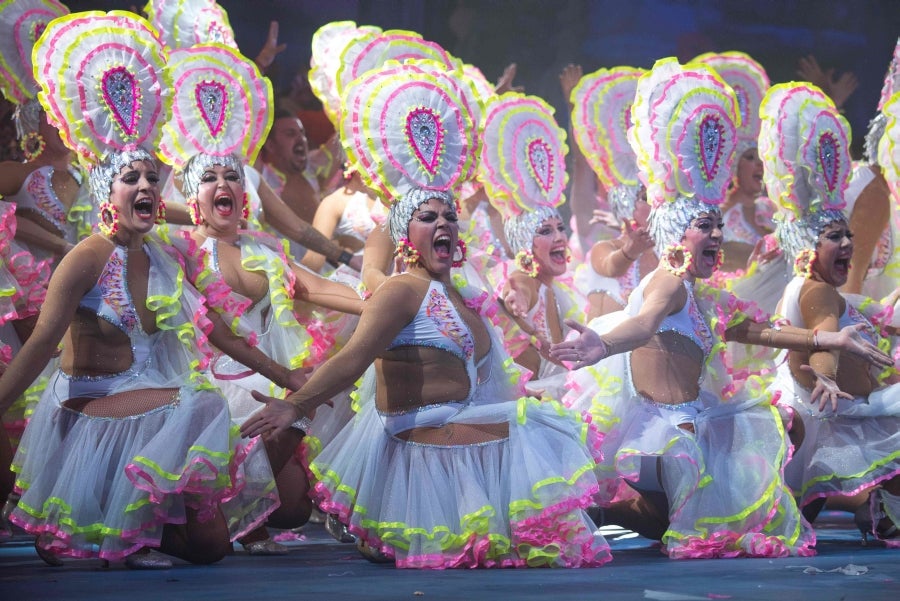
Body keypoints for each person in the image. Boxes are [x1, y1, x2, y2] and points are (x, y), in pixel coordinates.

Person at [241, 62, 611, 569]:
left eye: (449, 216)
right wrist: (295, 404)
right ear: (403, 235)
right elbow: (352, 359)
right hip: (418, 444)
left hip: (453, 433)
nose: (444, 224)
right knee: (539, 425)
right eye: (428, 217)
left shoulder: (454, 294)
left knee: (542, 426)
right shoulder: (402, 290)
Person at [550, 59, 892, 559]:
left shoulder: (701, 292)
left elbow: (759, 332)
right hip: (665, 429)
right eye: (706, 227)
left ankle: (605, 507)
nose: (717, 236)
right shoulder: (667, 282)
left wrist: (828, 340)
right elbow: (642, 325)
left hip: (696, 417)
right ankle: (593, 505)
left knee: (759, 451)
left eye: (717, 226)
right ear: (676, 236)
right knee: (689, 521)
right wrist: (600, 344)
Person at [0, 11, 304, 568]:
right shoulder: (86, 257)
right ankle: (118, 524)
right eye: (131, 179)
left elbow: (219, 329)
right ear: (105, 193)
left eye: (150, 177)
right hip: (92, 411)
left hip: (155, 412)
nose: (145, 185)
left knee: (212, 549)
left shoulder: (167, 252)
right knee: (201, 401)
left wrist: (291, 381)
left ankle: (139, 531)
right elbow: (42, 345)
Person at [762, 82, 900, 546]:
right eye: (834, 238)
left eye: (848, 236)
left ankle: (880, 509)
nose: (847, 244)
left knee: (802, 504)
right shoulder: (817, 292)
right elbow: (823, 336)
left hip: (825, 411)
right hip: (833, 412)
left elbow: (846, 314)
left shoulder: (810, 284)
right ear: (808, 247)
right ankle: (886, 511)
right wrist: (826, 377)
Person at [567, 65, 654, 319]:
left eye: (648, 196)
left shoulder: (661, 245)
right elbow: (580, 163)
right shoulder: (591, 211)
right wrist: (575, 106)